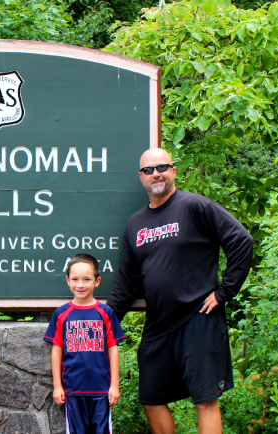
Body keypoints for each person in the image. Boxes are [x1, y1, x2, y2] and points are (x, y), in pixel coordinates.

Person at [107, 148, 254, 434]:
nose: (156, 174)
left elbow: (241, 240)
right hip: (159, 325)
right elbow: (127, 282)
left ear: (173, 170)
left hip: (199, 319)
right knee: (151, 399)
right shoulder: (135, 223)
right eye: (149, 170)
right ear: (141, 177)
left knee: (205, 401)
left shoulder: (195, 206)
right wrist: (102, 323)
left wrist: (224, 292)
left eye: (162, 167)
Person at [44, 253, 126, 434]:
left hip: (101, 390)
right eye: (75, 279)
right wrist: (58, 386)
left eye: (87, 279)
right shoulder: (61, 314)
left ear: (97, 281)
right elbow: (56, 351)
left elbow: (112, 349)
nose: (80, 285)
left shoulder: (105, 312)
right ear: (67, 280)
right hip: (73, 389)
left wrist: (114, 385)